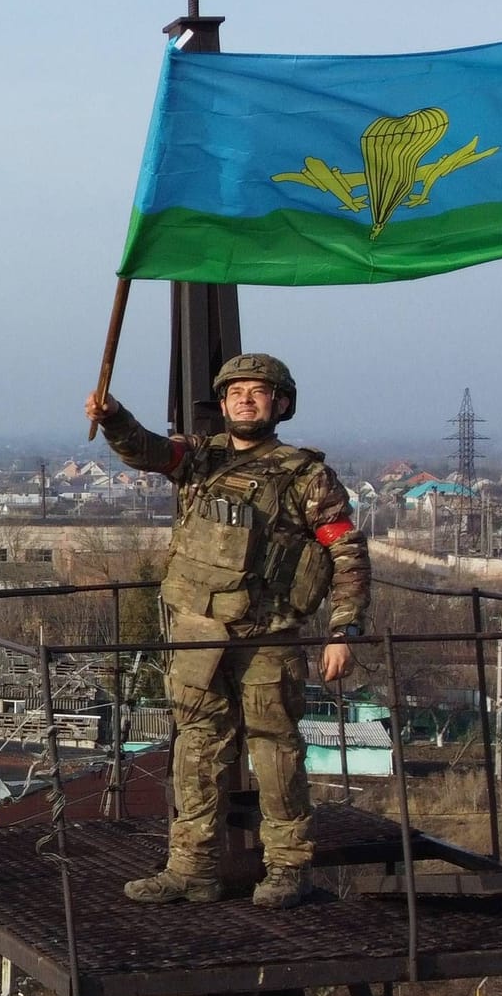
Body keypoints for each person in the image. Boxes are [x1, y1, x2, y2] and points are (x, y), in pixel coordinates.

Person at [84, 353, 369, 910]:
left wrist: (344, 629)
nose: (245, 399)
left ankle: (288, 868)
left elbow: (346, 551)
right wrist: (114, 416)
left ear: (280, 404)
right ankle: (192, 869)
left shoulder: (306, 476)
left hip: (268, 636)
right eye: (235, 391)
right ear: (222, 403)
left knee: (276, 753)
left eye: (258, 391)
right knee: (195, 749)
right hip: (198, 631)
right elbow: (147, 450)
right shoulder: (199, 457)